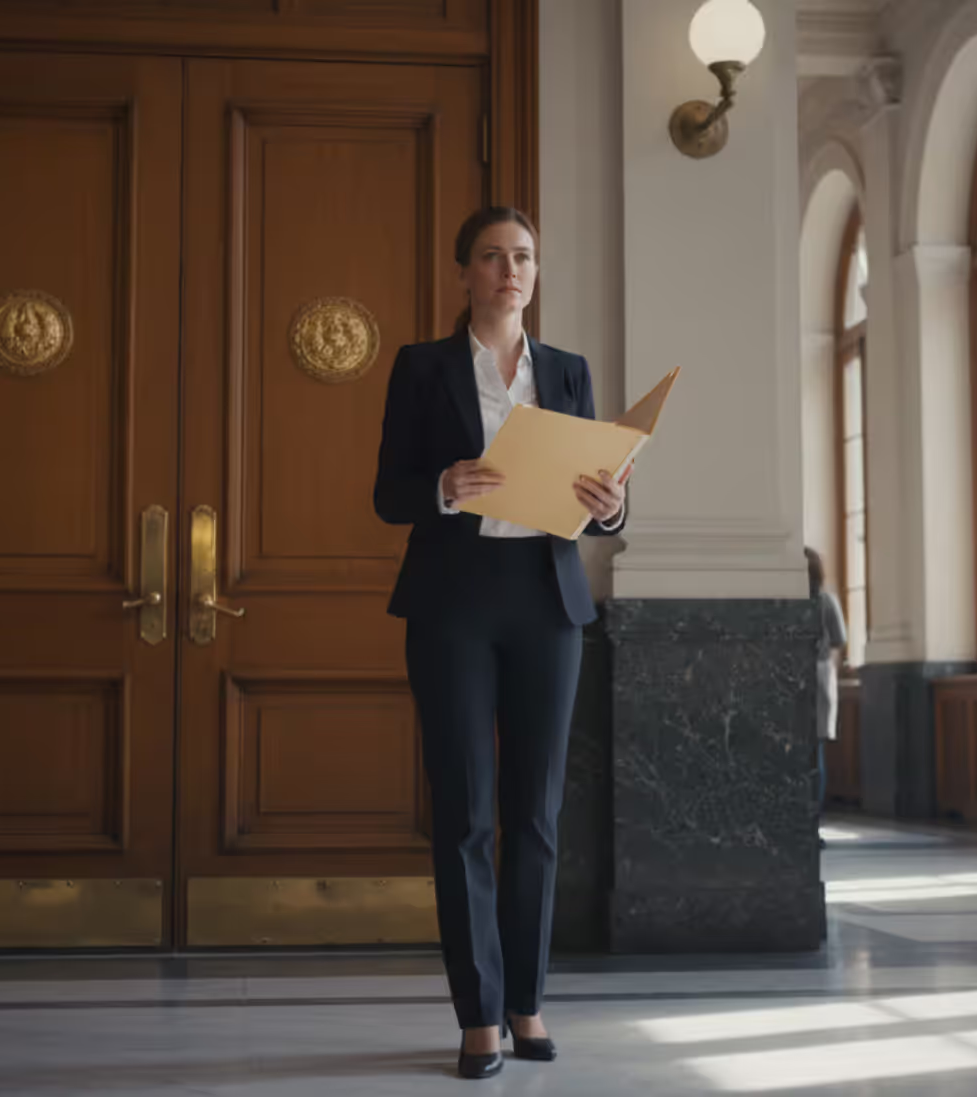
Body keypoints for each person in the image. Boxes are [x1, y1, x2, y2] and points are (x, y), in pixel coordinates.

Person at [373, 206, 627, 1080]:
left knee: (537, 817)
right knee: (466, 817)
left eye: (522, 257)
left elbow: (603, 491)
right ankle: (478, 1012)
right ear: (465, 273)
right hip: (453, 604)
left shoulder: (567, 371)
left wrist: (611, 507)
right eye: (492, 256)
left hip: (548, 602)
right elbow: (387, 493)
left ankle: (527, 1001)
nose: (509, 269)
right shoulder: (422, 367)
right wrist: (442, 485)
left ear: (535, 271)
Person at [807, 548, 847, 832]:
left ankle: (805, 822)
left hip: (806, 674)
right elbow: (839, 641)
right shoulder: (827, 601)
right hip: (820, 674)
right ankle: (812, 823)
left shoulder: (793, 601)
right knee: (815, 751)